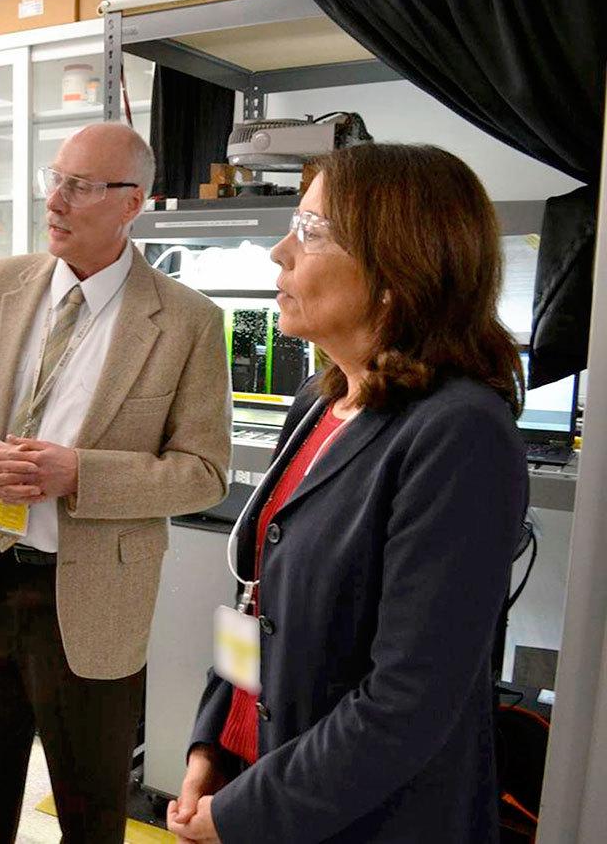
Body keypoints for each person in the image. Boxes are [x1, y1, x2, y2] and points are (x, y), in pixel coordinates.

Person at [168, 142, 530, 844]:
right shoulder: (318, 399)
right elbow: (257, 601)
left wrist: (247, 811)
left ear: (397, 267)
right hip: (266, 775)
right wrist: (214, 739)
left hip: (372, 819)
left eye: (309, 230)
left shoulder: (458, 433)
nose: (279, 252)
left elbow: (409, 700)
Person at [0, 122, 231, 842]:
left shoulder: (187, 321)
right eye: (55, 178)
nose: (56, 200)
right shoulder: (0, 284)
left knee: (92, 812)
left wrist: (80, 474)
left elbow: (205, 473)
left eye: (81, 186)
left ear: (133, 203)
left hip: (92, 598)